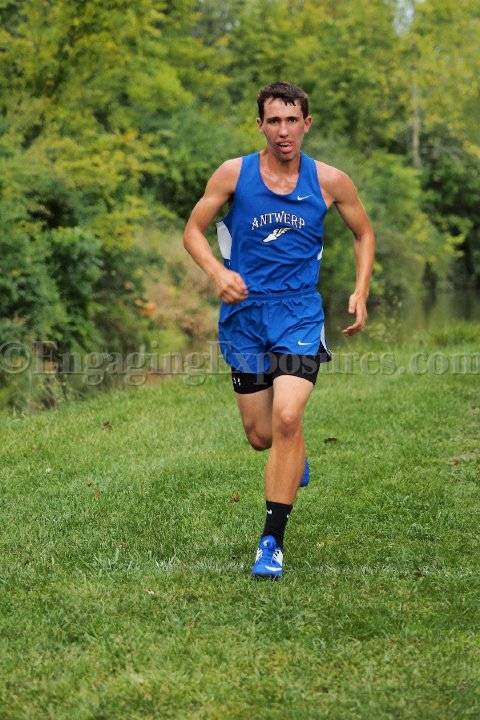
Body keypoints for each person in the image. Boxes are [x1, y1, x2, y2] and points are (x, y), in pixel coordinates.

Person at [183, 81, 374, 579]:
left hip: (299, 313)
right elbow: (193, 230)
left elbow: (363, 232)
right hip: (244, 315)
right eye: (274, 121)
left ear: (306, 123)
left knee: (288, 417)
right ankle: (292, 456)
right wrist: (218, 274)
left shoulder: (330, 181)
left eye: (292, 120)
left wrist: (360, 289)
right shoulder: (234, 173)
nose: (284, 131)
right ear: (260, 125)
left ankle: (272, 541)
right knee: (261, 435)